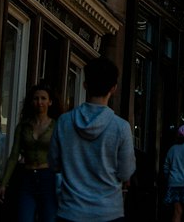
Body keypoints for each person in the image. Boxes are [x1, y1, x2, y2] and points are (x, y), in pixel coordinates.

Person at [48, 56, 135, 222]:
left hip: (70, 211)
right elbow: (125, 172)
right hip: (108, 212)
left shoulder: (64, 122)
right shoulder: (120, 127)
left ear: (85, 85)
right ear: (114, 88)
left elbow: (54, 163)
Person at [0, 84, 60, 222]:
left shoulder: (56, 126)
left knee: (49, 218)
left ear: (50, 102)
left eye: (43, 98)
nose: (39, 102)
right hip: (27, 178)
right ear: (31, 101)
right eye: (36, 98)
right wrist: (3, 183)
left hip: (48, 177)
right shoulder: (23, 126)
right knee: (23, 217)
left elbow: (63, 155)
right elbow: (14, 156)